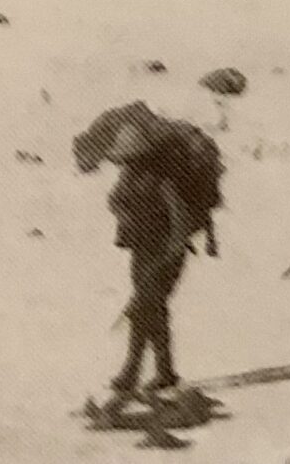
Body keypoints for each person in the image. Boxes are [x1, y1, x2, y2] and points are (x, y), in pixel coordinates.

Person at [107, 141, 207, 400]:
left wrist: (171, 251)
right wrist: (123, 211)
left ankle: (136, 369)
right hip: (141, 250)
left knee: (148, 306)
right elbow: (114, 200)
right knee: (147, 307)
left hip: (166, 253)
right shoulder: (128, 178)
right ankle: (161, 370)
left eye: (131, 158)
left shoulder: (163, 180)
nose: (126, 163)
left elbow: (179, 218)